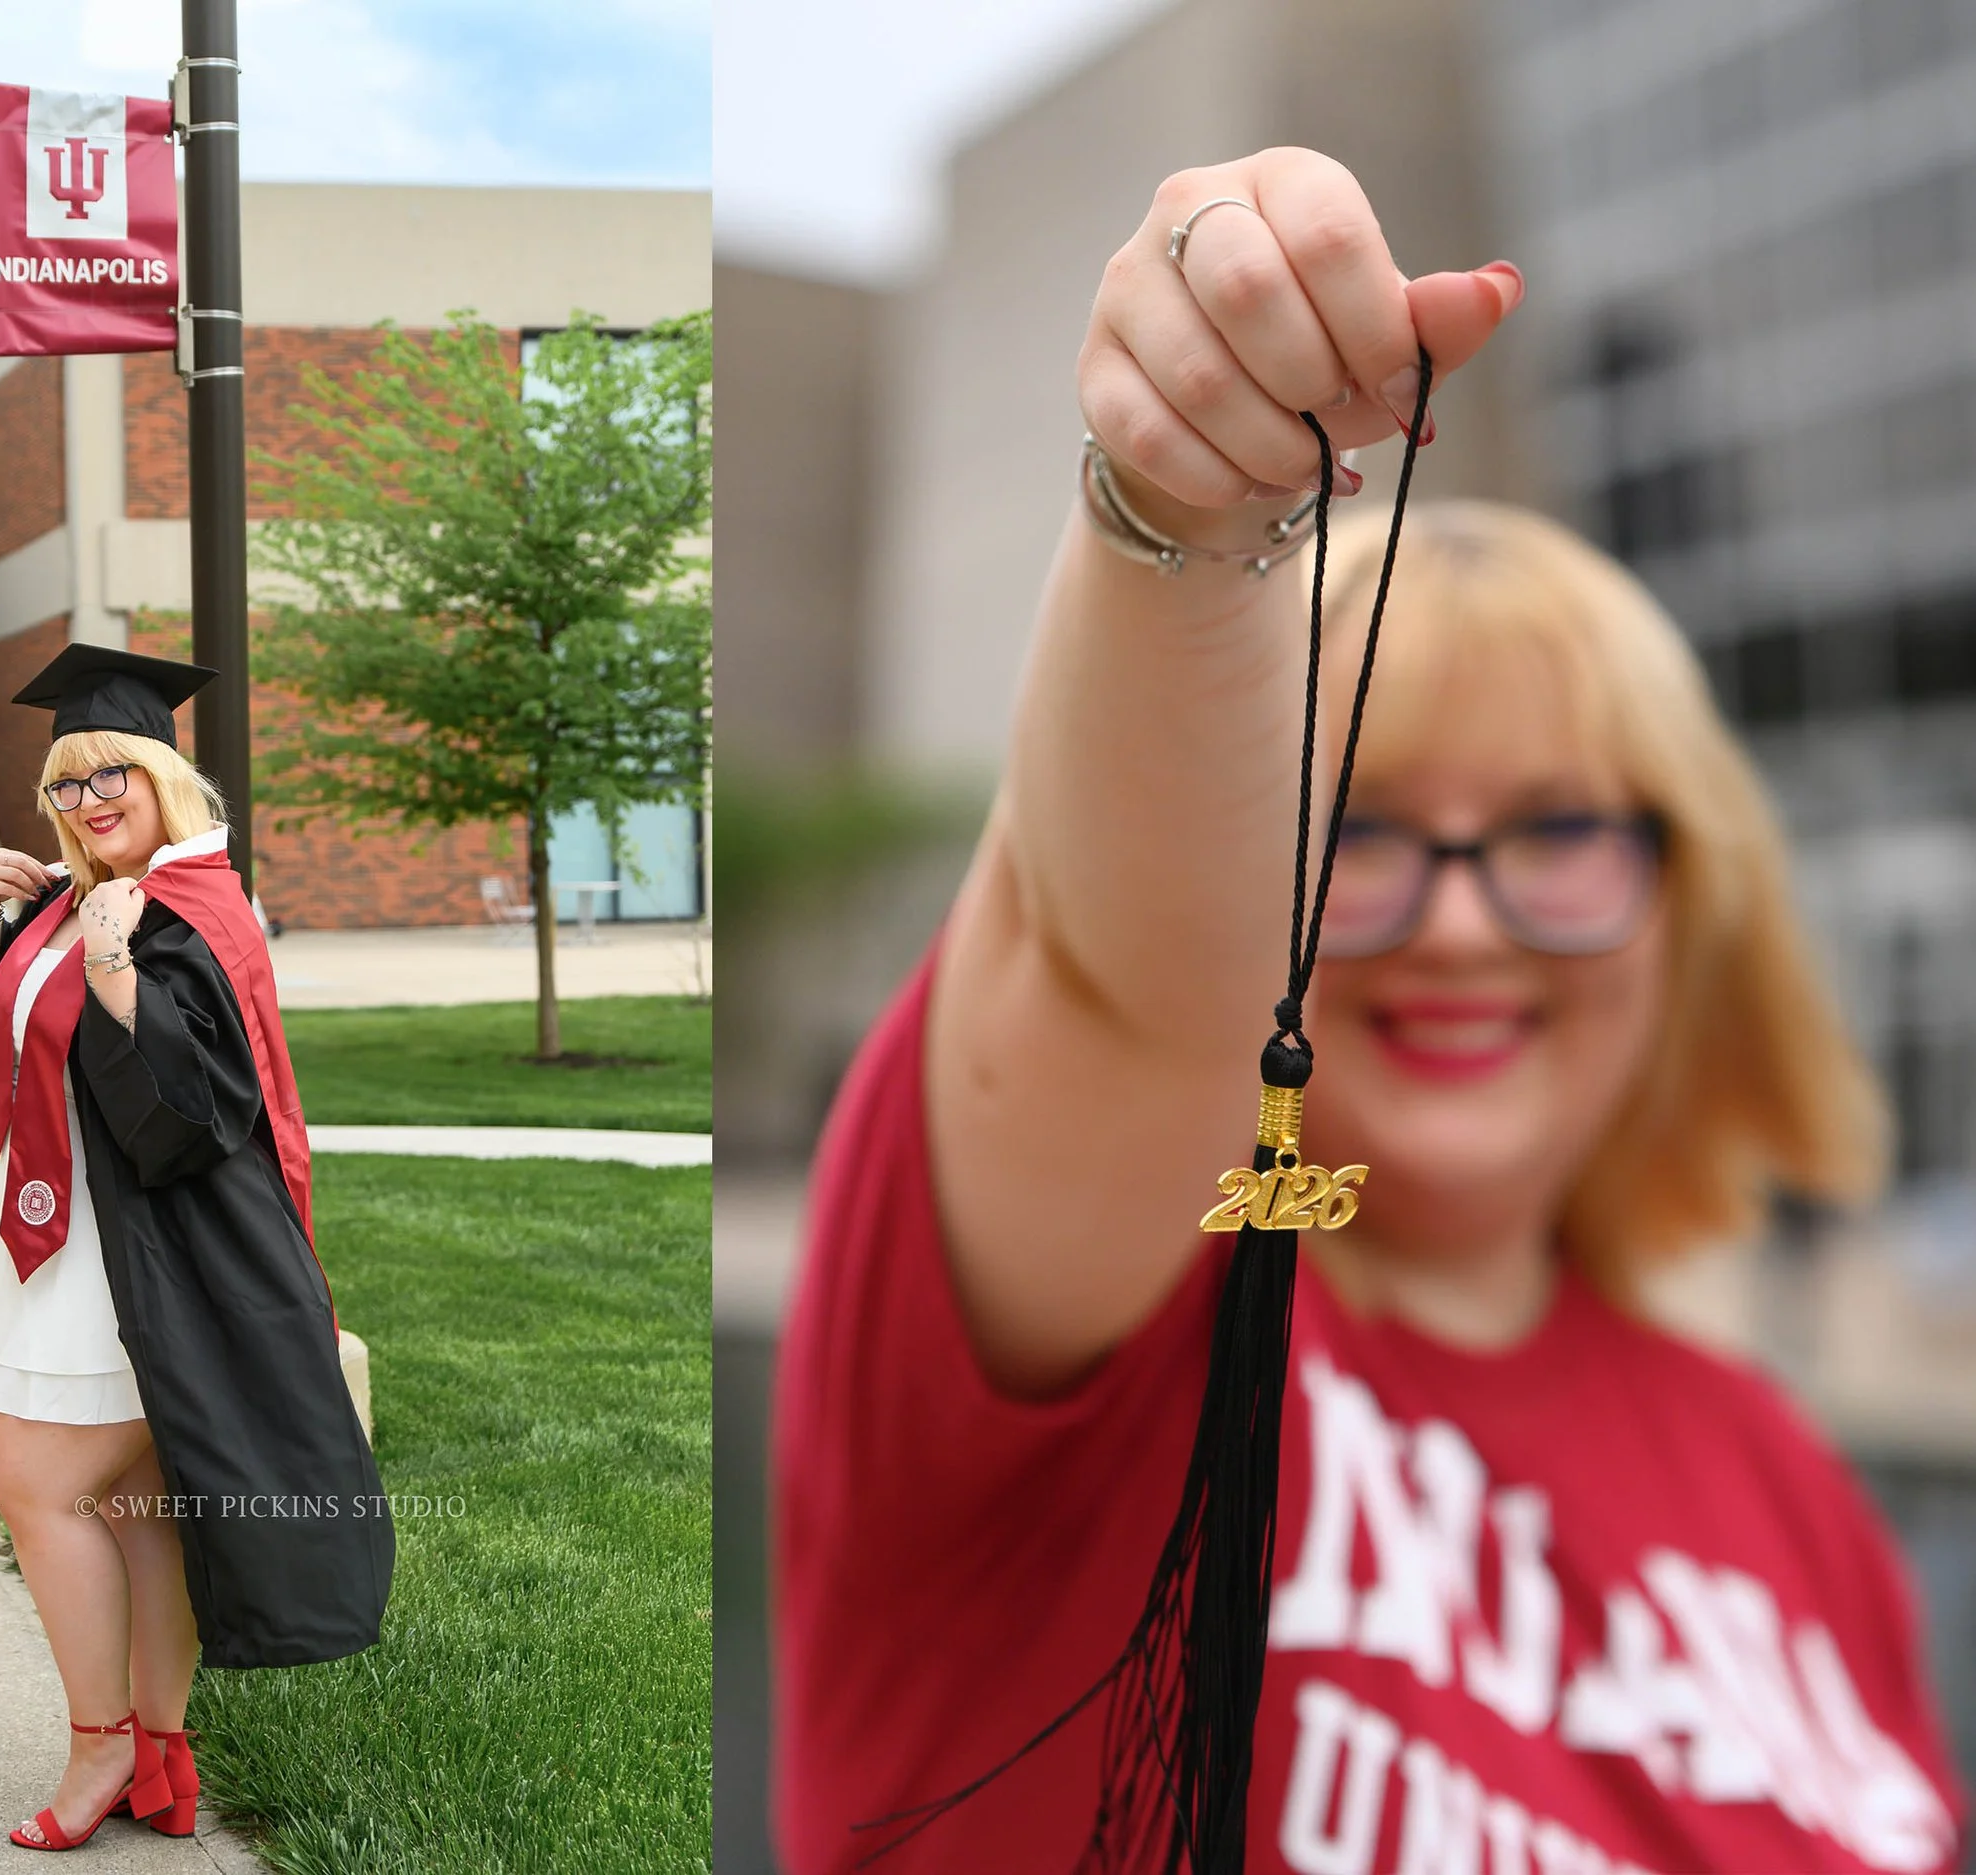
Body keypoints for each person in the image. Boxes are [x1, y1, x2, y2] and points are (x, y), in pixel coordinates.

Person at [770, 147, 1969, 1875]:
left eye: (1559, 833)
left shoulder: (1793, 1490)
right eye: (1362, 832)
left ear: (1689, 909)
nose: (1466, 923)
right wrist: (1189, 514)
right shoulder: (1112, 1314)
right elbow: (1137, 978)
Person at [0, 644, 392, 1853]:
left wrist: (116, 961)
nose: (87, 803)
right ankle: (161, 1756)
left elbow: (183, 1123)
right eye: (65, 788)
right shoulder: (79, 901)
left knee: (35, 1483)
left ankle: (101, 1747)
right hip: (67, 1231)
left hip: (137, 1249)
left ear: (166, 774)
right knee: (131, 1499)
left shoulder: (184, 910)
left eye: (109, 773)